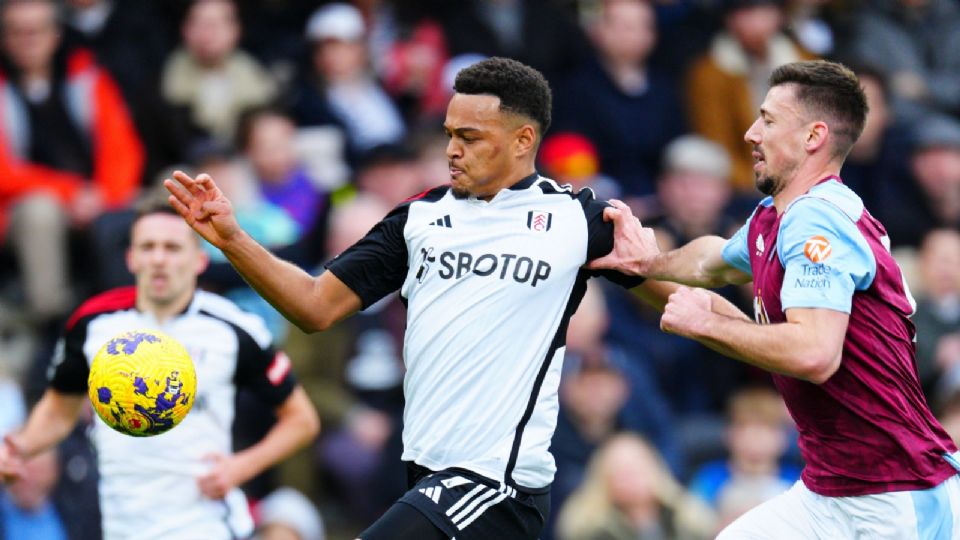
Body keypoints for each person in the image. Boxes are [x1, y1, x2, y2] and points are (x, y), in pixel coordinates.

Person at [163, 56, 706, 540]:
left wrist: (766, 335)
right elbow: (313, 306)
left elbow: (682, 299)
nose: (450, 149)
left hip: (496, 482)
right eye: (449, 133)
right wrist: (232, 239)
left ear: (522, 141)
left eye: (469, 137)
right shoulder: (419, 218)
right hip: (425, 472)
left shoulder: (579, 219)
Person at [591, 59, 960, 538]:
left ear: (813, 137)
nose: (750, 133)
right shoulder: (775, 216)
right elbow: (711, 262)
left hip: (897, 495)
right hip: (829, 491)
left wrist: (708, 324)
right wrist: (643, 264)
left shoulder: (817, 221)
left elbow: (814, 352)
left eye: (767, 119)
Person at [0, 194, 320, 540]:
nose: (159, 259)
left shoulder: (232, 328)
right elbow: (59, 411)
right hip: (118, 525)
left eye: (171, 248)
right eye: (148, 247)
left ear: (198, 260)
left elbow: (302, 420)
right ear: (131, 258)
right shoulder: (93, 324)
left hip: (204, 524)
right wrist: (18, 449)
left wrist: (240, 467)